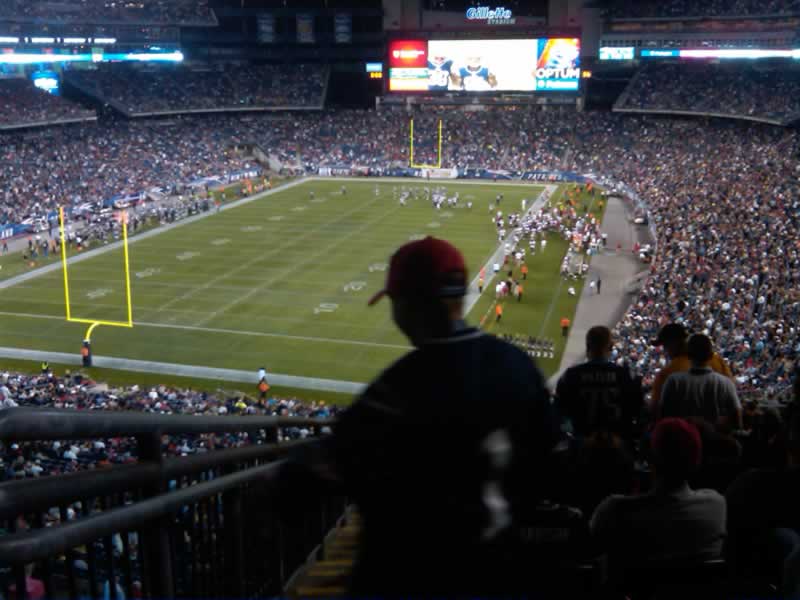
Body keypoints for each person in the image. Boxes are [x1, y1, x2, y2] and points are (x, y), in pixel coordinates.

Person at [325, 236, 558, 597]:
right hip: (500, 571)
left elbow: (322, 469)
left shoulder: (397, 389)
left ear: (409, 304)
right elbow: (547, 459)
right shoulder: (519, 368)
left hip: (410, 576)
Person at [591, 418, 726, 573]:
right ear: (696, 460)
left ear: (650, 456)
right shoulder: (717, 505)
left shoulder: (615, 511)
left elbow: (589, 548)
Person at [555, 326, 643, 441]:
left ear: (587, 346)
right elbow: (637, 410)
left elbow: (558, 412)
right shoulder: (623, 375)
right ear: (610, 347)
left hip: (582, 444)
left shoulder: (572, 375)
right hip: (614, 446)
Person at [660, 334, 742, 430]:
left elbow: (662, 416)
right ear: (711, 355)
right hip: (714, 441)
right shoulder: (726, 383)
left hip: (682, 440)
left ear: (688, 355)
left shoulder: (673, 381)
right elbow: (737, 421)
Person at [650, 324, 733, 417]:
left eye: (665, 345)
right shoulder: (716, 359)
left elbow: (656, 409)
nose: (665, 350)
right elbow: (731, 393)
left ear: (673, 343)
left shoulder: (668, 372)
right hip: (720, 424)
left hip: (686, 427)